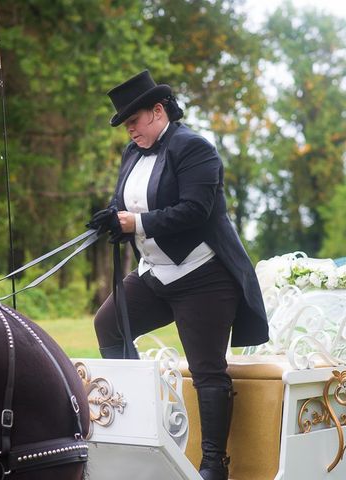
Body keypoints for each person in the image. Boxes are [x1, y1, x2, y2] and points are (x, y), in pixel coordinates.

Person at [89, 70, 269, 480]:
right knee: (109, 325)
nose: (129, 129)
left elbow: (195, 210)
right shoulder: (132, 153)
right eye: (126, 124)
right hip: (155, 273)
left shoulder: (195, 148)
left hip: (205, 276)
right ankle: (136, 423)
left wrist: (133, 223)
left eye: (133, 120)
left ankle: (212, 465)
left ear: (158, 110)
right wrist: (110, 218)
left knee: (207, 368)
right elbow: (126, 202)